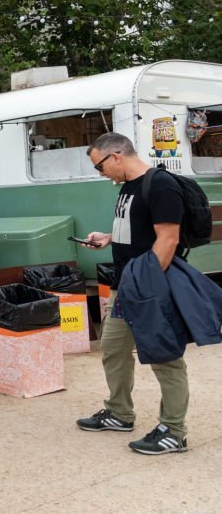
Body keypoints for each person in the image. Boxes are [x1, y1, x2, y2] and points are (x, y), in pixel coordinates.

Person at [76, 132, 187, 455]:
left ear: (116, 156)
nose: (100, 173)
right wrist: (109, 238)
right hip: (125, 286)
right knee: (112, 348)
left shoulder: (161, 185)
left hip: (148, 288)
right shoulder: (127, 187)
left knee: (166, 359)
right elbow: (140, 229)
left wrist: (148, 288)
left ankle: (175, 431)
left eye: (99, 166)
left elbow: (167, 239)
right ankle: (120, 413)